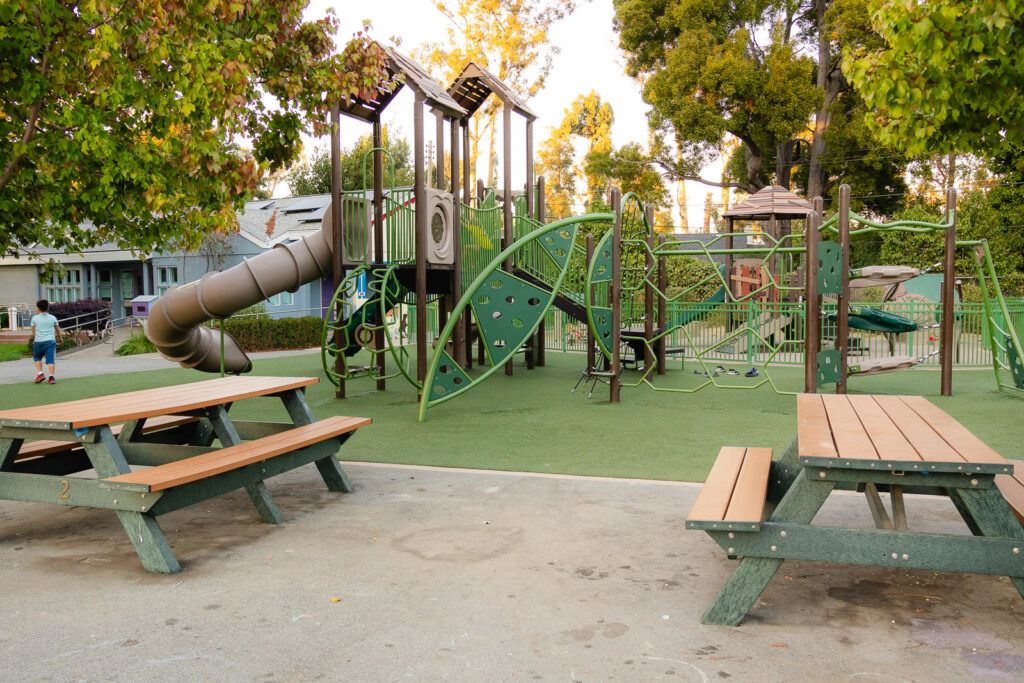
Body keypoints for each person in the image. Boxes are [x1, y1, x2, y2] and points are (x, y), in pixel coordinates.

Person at [30, 299, 63, 384]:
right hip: (50, 341)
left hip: (38, 341)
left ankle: (40, 374)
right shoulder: (52, 318)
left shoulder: (35, 318)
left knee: (37, 357)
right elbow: (57, 329)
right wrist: (60, 338)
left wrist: (36, 338)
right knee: (50, 359)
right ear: (47, 307)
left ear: (38, 308)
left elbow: (33, 331)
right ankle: (51, 377)